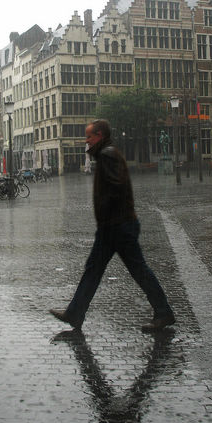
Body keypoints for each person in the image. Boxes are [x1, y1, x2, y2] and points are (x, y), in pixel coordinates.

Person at [50, 119, 175, 332]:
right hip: (114, 225)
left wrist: (107, 211)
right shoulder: (106, 154)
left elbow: (116, 187)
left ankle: (163, 313)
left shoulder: (108, 155)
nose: (86, 140)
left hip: (117, 226)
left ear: (99, 135)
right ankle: (74, 313)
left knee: (136, 270)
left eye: (89, 136)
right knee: (94, 270)